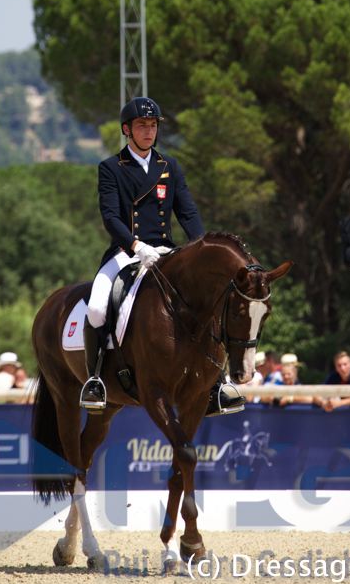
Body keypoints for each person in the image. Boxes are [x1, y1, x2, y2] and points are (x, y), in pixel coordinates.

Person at [79, 96, 245, 417]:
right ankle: (96, 379)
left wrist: (201, 250)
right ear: (127, 130)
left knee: (207, 301)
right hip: (127, 252)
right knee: (97, 307)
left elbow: (188, 212)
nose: (149, 131)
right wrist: (136, 246)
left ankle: (217, 382)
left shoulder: (169, 166)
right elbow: (110, 217)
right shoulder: (111, 168)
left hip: (167, 250)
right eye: (142, 125)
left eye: (153, 125)